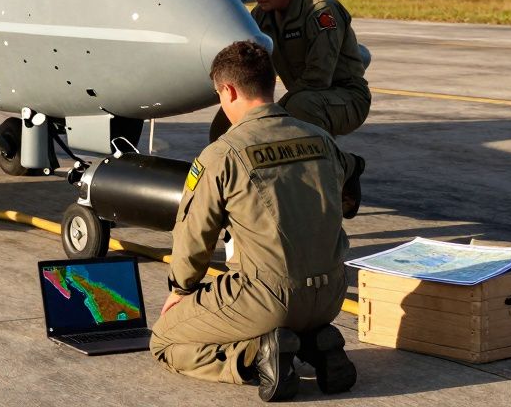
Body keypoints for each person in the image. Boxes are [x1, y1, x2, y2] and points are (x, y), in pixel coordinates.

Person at [150, 41, 359, 402]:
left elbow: (194, 237)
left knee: (165, 340)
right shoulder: (322, 139)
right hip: (330, 295)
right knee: (276, 308)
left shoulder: (223, 154)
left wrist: (181, 290)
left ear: (228, 91)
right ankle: (313, 343)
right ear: (271, 82)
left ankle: (253, 357)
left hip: (266, 297)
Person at [244, 0, 370, 137]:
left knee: (299, 108)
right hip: (303, 95)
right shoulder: (262, 14)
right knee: (235, 117)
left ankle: (339, 163)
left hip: (346, 97)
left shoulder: (320, 9)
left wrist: (277, 109)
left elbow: (318, 77)